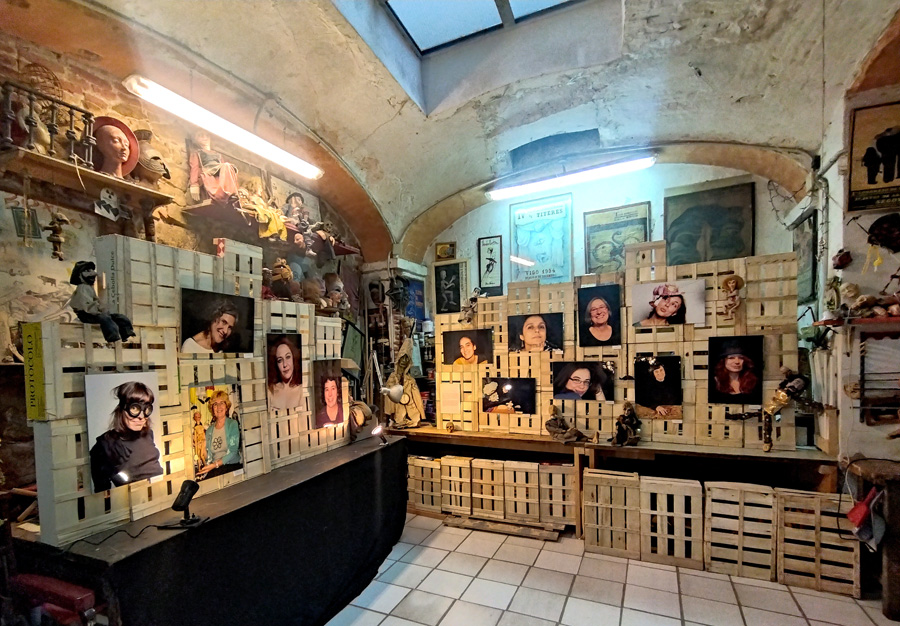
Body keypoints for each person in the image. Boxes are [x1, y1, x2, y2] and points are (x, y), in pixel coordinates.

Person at [89, 381, 163, 491]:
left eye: (146, 409)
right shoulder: (106, 444)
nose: (141, 416)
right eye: (135, 408)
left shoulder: (148, 434)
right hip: (136, 498)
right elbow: (102, 491)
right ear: (122, 409)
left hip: (162, 492)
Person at [69, 261, 135, 343]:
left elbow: (95, 301)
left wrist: (102, 309)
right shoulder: (82, 288)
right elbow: (86, 305)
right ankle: (112, 336)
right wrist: (99, 310)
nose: (93, 274)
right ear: (80, 275)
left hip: (93, 312)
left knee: (119, 317)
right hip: (86, 314)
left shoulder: (88, 287)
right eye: (88, 271)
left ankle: (126, 333)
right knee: (104, 318)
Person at [189, 130, 240, 208]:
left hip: (219, 171)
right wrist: (194, 184)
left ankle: (229, 193)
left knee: (228, 167)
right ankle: (223, 193)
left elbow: (225, 170)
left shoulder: (218, 155)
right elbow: (194, 168)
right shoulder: (197, 153)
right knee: (226, 165)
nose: (204, 138)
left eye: (206, 135)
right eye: (201, 136)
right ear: (196, 139)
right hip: (209, 171)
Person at [197, 390, 242, 479]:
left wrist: (215, 464)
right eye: (215, 404)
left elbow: (233, 451)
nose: (219, 407)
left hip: (231, 467)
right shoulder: (209, 430)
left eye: (222, 403)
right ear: (212, 409)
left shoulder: (232, 424)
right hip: (215, 470)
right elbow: (208, 458)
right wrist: (203, 447)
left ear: (226, 406)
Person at [267, 337, 303, 410]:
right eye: (280, 360)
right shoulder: (270, 390)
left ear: (294, 358)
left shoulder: (302, 390)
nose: (285, 364)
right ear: (276, 364)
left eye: (288, 357)